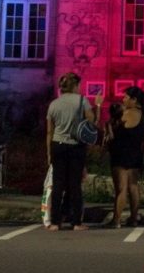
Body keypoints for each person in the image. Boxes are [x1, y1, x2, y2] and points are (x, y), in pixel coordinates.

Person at [46, 72, 101, 231]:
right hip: (76, 146)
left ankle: (55, 222)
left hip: (57, 145)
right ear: (76, 85)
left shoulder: (54, 104)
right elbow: (93, 122)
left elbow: (49, 131)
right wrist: (97, 105)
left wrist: (49, 152)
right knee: (75, 185)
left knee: (58, 185)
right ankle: (76, 222)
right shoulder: (82, 101)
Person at [110, 86, 144, 228]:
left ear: (134, 100)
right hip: (135, 154)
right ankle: (133, 218)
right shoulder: (142, 115)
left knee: (121, 188)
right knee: (133, 186)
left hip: (122, 154)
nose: (123, 99)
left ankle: (116, 220)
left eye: (126, 97)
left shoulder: (127, 114)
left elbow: (114, 132)